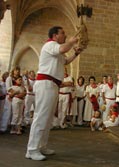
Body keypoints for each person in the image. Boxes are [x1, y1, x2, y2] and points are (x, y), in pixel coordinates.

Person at [26, 26, 83, 161]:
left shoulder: (57, 50)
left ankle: (42, 146)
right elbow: (63, 48)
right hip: (45, 84)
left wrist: (76, 53)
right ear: (55, 36)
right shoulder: (50, 45)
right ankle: (32, 149)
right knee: (41, 117)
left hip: (52, 85)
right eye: (62, 33)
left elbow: (66, 61)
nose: (65, 34)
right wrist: (71, 41)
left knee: (48, 118)